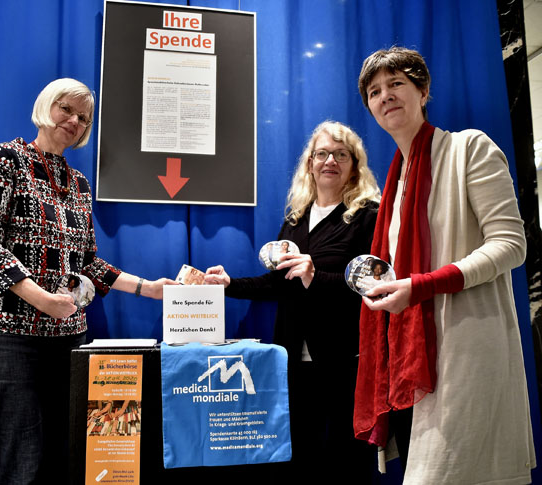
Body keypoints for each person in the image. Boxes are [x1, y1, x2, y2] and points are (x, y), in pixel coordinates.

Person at [0, 78, 175, 484]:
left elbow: (87, 263)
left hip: (68, 338)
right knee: (21, 461)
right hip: (10, 336)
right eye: (67, 109)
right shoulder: (8, 159)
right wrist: (40, 298)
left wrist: (147, 288)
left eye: (84, 117)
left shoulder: (78, 183)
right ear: (47, 106)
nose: (75, 121)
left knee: (69, 456)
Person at [355, 47, 535, 484]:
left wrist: (421, 286)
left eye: (397, 83)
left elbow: (511, 245)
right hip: (408, 356)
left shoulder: (469, 148)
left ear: (423, 91)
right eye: (375, 91)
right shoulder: (393, 186)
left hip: (465, 343)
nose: (386, 96)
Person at [205, 121, 380, 482]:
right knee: (301, 452)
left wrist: (316, 276)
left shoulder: (367, 216)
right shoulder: (295, 220)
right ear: (310, 164)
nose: (330, 160)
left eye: (340, 154)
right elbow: (278, 283)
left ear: (354, 164)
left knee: (348, 458)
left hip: (345, 356)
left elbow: (374, 284)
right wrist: (228, 284)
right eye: (322, 153)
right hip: (293, 355)